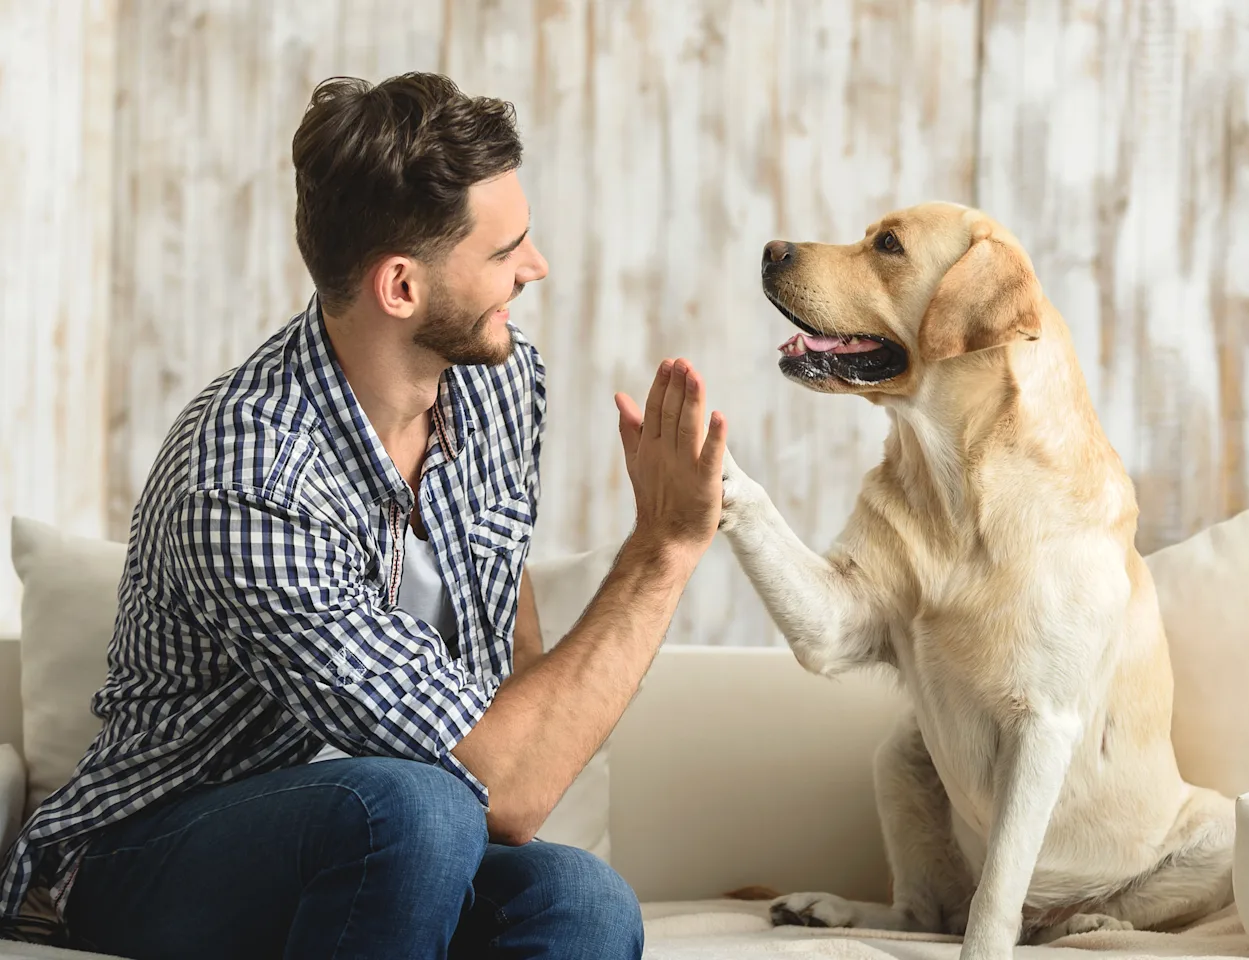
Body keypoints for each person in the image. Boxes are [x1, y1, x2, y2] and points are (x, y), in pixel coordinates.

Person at [0, 71, 727, 959]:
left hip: (400, 847)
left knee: (583, 902)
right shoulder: (248, 474)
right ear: (400, 287)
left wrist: (514, 757)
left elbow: (505, 618)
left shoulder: (500, 382)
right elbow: (506, 785)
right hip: (147, 853)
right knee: (412, 808)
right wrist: (665, 547)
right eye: (506, 253)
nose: (534, 269)